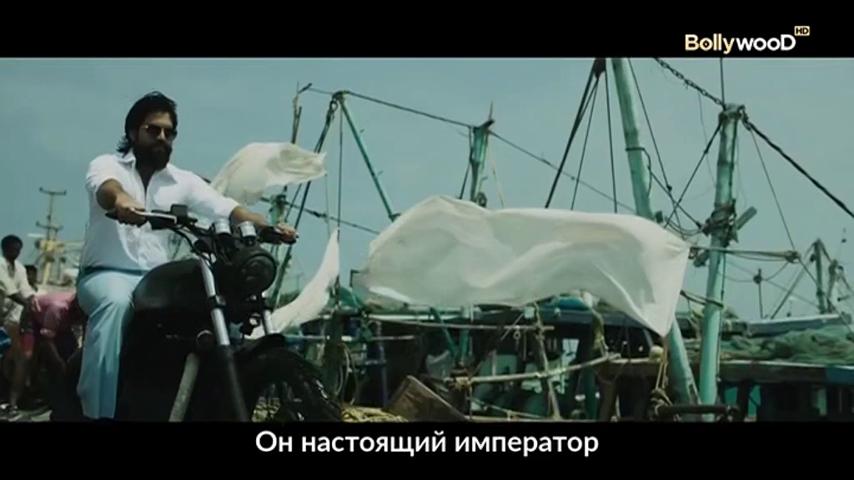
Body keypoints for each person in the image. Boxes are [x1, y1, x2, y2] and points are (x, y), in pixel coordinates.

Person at [77, 91, 297, 420]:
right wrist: (122, 201)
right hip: (107, 274)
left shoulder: (182, 181)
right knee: (116, 305)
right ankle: (98, 414)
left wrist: (267, 227)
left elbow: (227, 208)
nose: (162, 138)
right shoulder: (108, 165)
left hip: (155, 280)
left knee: (213, 306)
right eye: (153, 130)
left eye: (169, 133)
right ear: (134, 132)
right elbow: (106, 188)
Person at [0, 235, 39, 420]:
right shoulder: (0, 265)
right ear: (4, 248)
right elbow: (10, 291)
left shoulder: (20, 268)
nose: (16, 252)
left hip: (8, 319)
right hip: (5, 316)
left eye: (18, 249)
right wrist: (27, 303)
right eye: (13, 249)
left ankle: (12, 403)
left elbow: (26, 290)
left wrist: (34, 301)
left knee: (18, 358)